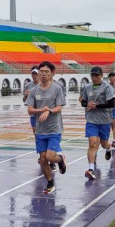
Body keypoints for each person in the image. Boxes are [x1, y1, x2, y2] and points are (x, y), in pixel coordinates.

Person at [26, 61, 68, 194]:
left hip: (54, 128)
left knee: (50, 156)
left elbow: (59, 107)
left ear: (52, 73)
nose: (43, 74)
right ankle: (50, 182)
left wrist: (48, 111)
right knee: (42, 158)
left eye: (46, 72)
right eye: (41, 71)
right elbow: (30, 110)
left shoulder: (57, 89)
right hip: (40, 130)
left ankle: (60, 159)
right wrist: (40, 111)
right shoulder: (34, 90)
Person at [80, 66, 115, 180]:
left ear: (101, 76)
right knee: (92, 142)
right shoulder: (87, 88)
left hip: (104, 120)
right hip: (91, 120)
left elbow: (111, 104)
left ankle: (109, 148)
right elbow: (83, 101)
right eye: (92, 75)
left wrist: (98, 106)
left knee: (104, 144)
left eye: (97, 75)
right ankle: (90, 169)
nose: (94, 78)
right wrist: (87, 105)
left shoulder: (107, 88)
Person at [24, 66, 55, 171]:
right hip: (34, 115)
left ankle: (50, 157)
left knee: (48, 135)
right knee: (37, 134)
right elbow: (24, 100)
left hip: (47, 115)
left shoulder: (46, 85)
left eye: (35, 74)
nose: (34, 76)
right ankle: (42, 153)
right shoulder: (29, 85)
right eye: (32, 74)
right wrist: (26, 96)